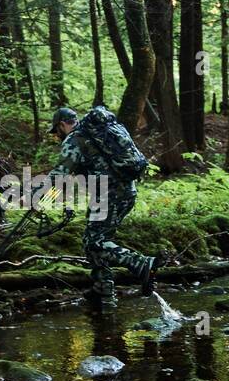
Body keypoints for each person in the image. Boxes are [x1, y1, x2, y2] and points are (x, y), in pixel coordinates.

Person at [50, 104, 160, 313]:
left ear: (62, 125)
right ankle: (103, 290)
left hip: (109, 194)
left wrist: (32, 196)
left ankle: (141, 264)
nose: (57, 136)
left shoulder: (75, 140)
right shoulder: (97, 134)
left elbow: (60, 176)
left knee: (96, 242)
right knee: (92, 240)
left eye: (56, 131)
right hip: (125, 192)